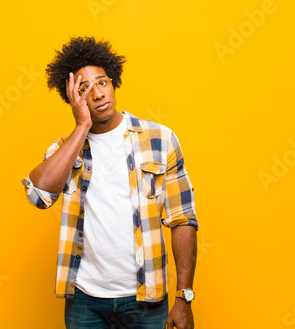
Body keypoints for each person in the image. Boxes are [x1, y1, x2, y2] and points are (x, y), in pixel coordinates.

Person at [21, 36, 199, 329]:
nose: (97, 94)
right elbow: (38, 196)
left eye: (102, 82)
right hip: (85, 300)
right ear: (72, 99)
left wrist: (184, 297)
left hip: (147, 299)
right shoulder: (65, 150)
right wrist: (82, 127)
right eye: (84, 89)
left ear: (114, 83)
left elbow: (183, 220)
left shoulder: (160, 139)